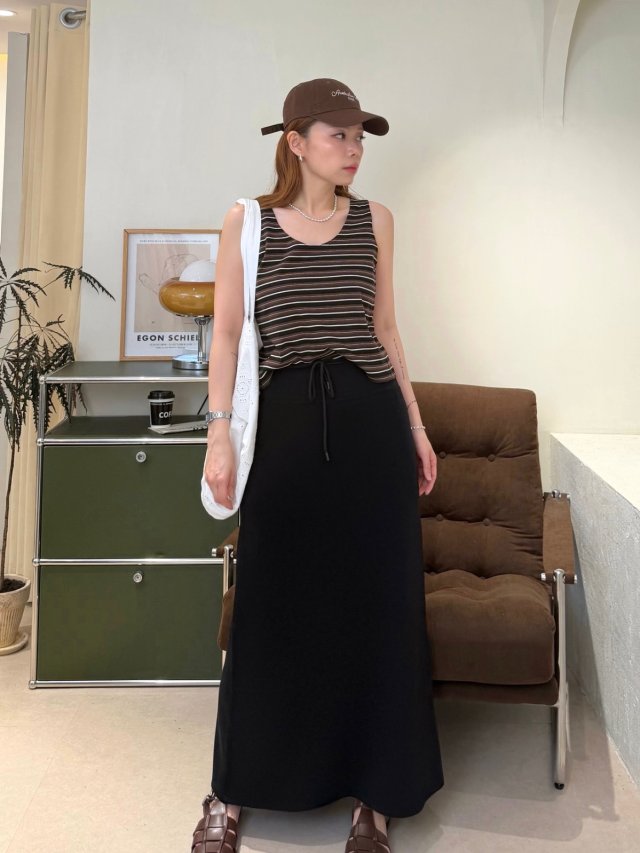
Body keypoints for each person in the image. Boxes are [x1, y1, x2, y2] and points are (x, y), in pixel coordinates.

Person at [192, 77, 444, 853]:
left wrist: (416, 425)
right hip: (287, 427)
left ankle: (375, 799)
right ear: (296, 142)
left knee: (378, 606)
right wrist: (217, 433)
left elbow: (386, 329)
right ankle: (232, 790)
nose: (355, 149)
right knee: (270, 606)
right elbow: (227, 334)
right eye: (340, 134)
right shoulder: (248, 222)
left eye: (361, 136)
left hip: (370, 424)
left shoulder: (377, 221)